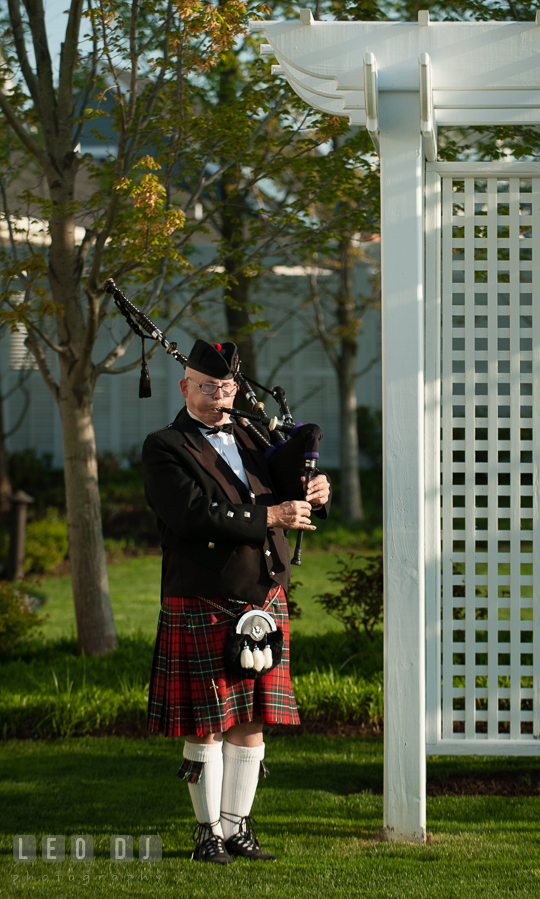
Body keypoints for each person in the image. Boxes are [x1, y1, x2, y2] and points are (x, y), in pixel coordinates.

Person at [143, 339, 331, 865]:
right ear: (185, 388)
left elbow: (289, 481)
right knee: (207, 720)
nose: (219, 396)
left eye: (226, 387)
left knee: (251, 719)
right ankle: (207, 834)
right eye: (207, 387)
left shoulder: (252, 436)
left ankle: (236, 829)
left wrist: (317, 489)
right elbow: (191, 516)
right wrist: (270, 517)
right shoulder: (165, 446)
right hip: (204, 594)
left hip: (263, 593)